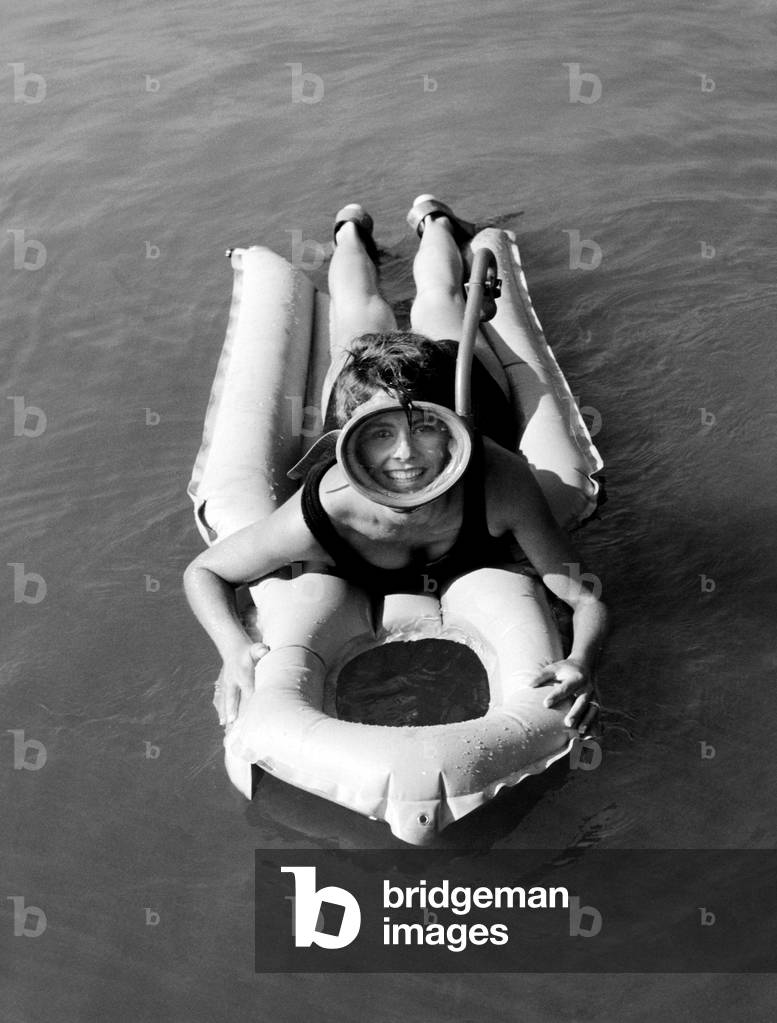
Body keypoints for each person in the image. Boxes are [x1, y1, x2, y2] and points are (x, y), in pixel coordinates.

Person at [183, 196, 607, 733]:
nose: (404, 454)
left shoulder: (499, 484)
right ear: (348, 441)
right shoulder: (326, 512)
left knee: (441, 300)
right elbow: (206, 572)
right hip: (379, 384)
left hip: (458, 382)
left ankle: (433, 220)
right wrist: (234, 648)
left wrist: (583, 661)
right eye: (380, 436)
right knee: (357, 311)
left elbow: (584, 595)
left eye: (422, 432)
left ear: (447, 429)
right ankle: (350, 232)